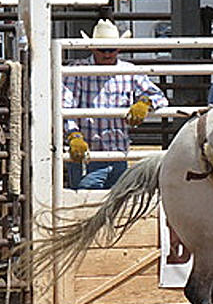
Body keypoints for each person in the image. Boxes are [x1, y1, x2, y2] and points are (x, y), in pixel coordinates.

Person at [63, 19, 168, 190]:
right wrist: (74, 134)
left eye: (112, 49)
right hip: (89, 154)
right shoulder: (77, 71)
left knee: (112, 206)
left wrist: (145, 103)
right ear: (92, 48)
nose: (107, 54)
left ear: (119, 48)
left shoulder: (129, 70)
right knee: (86, 200)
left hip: (118, 154)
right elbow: (65, 107)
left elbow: (158, 96)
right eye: (102, 49)